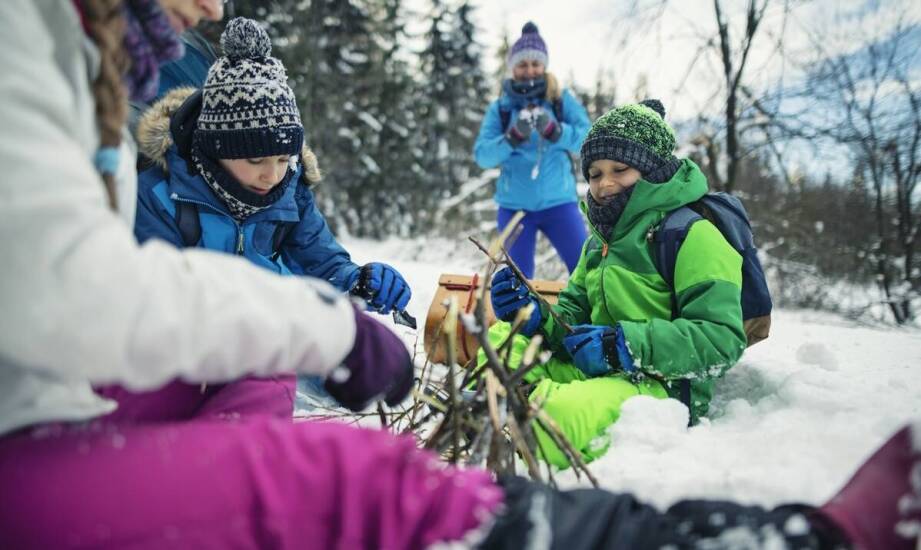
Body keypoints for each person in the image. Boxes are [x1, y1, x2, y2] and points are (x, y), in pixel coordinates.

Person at [0, 3, 916, 549]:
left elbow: (706, 331)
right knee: (392, 432)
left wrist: (356, 285)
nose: (204, 13)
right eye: (596, 174)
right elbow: (74, 288)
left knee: (275, 380)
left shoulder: (671, 226)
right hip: (66, 391)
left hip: (646, 365)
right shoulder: (70, 75)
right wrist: (538, 316)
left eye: (613, 174)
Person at [133, 17, 413, 412]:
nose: (273, 174)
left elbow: (320, 261)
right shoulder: (160, 194)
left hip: (273, 346)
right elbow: (157, 302)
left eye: (284, 158)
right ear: (215, 148)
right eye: (256, 159)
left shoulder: (290, 190)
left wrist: (357, 282)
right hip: (190, 358)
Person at [487, 100, 747, 468]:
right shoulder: (599, 241)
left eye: (620, 169)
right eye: (594, 174)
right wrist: (534, 318)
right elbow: (572, 316)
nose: (605, 184)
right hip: (600, 368)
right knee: (502, 339)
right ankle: (497, 408)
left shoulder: (692, 234)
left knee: (553, 417)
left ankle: (514, 413)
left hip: (661, 385)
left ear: (651, 169)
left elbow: (722, 338)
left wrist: (625, 346)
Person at [473, 22, 591, 279]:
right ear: (512, 67)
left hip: (559, 203)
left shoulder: (560, 100)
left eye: (535, 64)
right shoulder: (501, 108)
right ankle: (522, 320)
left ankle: (587, 318)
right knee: (518, 282)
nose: (530, 71)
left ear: (544, 65)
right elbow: (482, 155)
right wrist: (512, 137)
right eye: (522, 65)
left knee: (585, 270)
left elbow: (589, 138)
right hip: (514, 209)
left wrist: (557, 132)